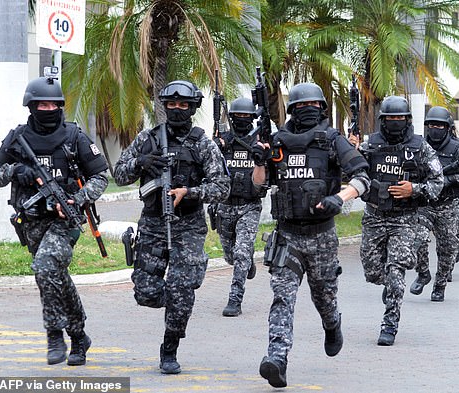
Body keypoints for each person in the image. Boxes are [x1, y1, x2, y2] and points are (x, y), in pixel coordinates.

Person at [252, 82, 369, 388]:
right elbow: (257, 185)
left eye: (313, 107)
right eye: (301, 107)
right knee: (282, 299)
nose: (307, 112)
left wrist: (339, 198)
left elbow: (362, 177)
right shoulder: (276, 141)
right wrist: (259, 161)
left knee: (324, 297)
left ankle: (332, 325)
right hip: (287, 235)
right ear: (291, 110)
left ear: (321, 110)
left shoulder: (331, 140)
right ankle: (276, 359)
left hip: (322, 237)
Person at [0, 76, 109, 366]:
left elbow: (100, 177)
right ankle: (79, 335)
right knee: (54, 275)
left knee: (44, 266)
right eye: (42, 104)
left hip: (64, 220)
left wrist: (77, 199)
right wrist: (16, 171)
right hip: (31, 222)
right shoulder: (17, 137)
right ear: (31, 106)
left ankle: (54, 333)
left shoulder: (74, 137)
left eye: (53, 104)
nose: (48, 109)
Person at [113, 80, 230, 374]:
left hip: (188, 225)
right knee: (146, 293)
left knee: (180, 289)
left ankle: (170, 346)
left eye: (184, 105)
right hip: (152, 224)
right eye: (172, 104)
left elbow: (222, 186)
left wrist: (188, 193)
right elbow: (119, 173)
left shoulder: (203, 143)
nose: (177, 109)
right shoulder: (147, 138)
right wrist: (141, 162)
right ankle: (180, 297)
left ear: (192, 108)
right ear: (165, 106)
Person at [357, 96, 444, 345]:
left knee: (396, 270)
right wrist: (351, 150)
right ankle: (390, 283)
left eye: (400, 119)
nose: (395, 123)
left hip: (405, 220)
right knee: (373, 272)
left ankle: (389, 324)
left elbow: (437, 183)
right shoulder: (370, 145)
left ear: (407, 120)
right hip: (374, 217)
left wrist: (414, 189)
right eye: (390, 119)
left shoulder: (420, 147)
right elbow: (351, 173)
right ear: (382, 120)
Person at [410, 106, 459, 301]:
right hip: (425, 202)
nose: (436, 128)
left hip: (450, 203)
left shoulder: (458, 148)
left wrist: (451, 180)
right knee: (418, 239)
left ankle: (439, 285)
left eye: (440, 125)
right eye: (432, 125)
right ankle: (423, 273)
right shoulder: (420, 147)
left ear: (448, 127)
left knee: (448, 247)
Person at [212, 97, 266, 317]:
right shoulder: (222, 140)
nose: (242, 120)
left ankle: (235, 299)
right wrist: (216, 148)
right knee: (231, 256)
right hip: (225, 205)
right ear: (231, 117)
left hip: (249, 206)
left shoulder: (258, 142)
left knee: (242, 253)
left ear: (252, 119)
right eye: (238, 116)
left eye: (246, 117)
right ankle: (246, 264)